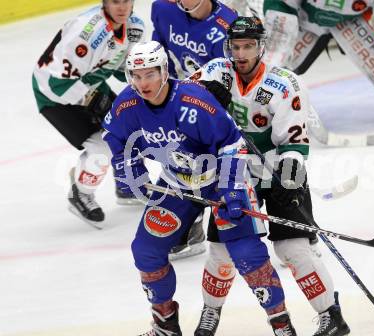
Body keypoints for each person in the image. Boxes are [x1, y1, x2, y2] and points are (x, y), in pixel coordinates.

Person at [101, 40, 297, 336]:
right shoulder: (127, 104)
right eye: (137, 76)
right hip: (177, 182)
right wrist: (130, 167)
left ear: (164, 71)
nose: (143, 83)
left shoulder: (194, 101)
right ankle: (166, 326)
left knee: (246, 252)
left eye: (150, 74)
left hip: (220, 178)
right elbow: (115, 138)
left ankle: (282, 326)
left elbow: (232, 144)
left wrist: (232, 190)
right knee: (146, 250)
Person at [192, 16, 350, 336]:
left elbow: (294, 141)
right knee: (222, 251)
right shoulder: (213, 73)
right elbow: (182, 101)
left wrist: (287, 181)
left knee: (293, 249)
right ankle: (210, 313)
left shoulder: (284, 83)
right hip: (233, 169)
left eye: (248, 46)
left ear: (261, 47)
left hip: (276, 167)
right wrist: (204, 100)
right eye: (235, 47)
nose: (241, 54)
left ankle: (331, 315)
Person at [32, 0, 146, 228]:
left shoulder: (135, 27)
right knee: (101, 146)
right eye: (115, 1)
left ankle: (125, 185)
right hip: (53, 95)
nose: (122, 7)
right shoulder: (86, 33)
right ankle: (81, 194)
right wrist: (92, 99)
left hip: (88, 83)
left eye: (127, 1)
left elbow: (123, 70)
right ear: (105, 3)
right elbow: (57, 85)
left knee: (126, 128)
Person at [149, 0, 238, 258]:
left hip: (210, 107)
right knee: (176, 158)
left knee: (211, 164)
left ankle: (200, 223)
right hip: (174, 97)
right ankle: (186, 224)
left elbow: (232, 77)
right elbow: (159, 49)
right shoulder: (163, 8)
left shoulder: (226, 27)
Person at [262, 0, 374, 122]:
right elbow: (281, 4)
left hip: (352, 23)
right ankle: (258, 100)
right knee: (270, 70)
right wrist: (276, 50)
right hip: (305, 23)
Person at [151, 0, 238, 79]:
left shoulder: (229, 32)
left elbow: (238, 81)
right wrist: (167, 77)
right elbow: (157, 46)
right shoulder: (164, 10)